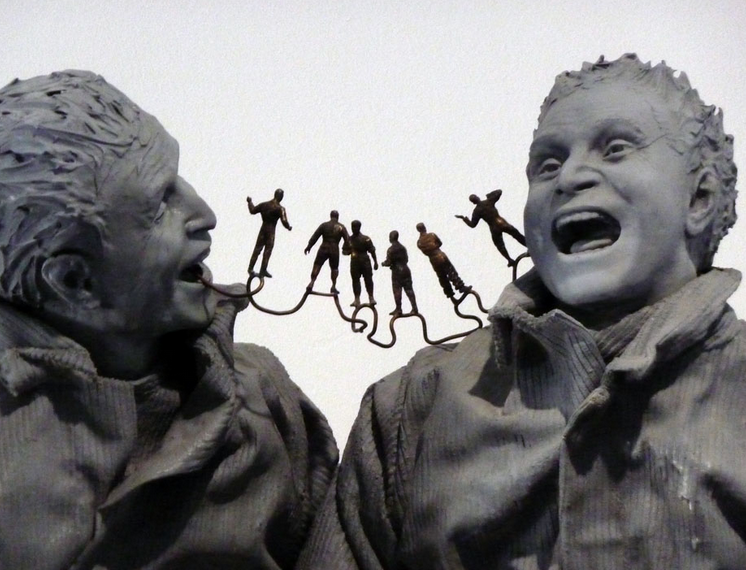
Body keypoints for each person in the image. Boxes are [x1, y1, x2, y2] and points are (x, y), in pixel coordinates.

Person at [297, 54, 746, 569]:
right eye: (547, 165)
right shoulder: (412, 407)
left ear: (700, 197)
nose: (570, 177)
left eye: (616, 149)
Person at [0, 71, 337, 570]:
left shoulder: (262, 396)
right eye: (159, 205)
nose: (204, 213)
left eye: (178, 181)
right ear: (75, 280)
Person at [456, 189, 527, 266]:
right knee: (516, 235)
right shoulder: (488, 201)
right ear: (478, 197)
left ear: (473, 203)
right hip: (501, 223)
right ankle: (529, 245)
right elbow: (499, 191)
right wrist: (489, 195)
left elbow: (473, 225)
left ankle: (510, 260)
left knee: (500, 245)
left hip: (494, 228)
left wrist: (464, 219)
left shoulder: (477, 211)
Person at [247, 188, 292, 278]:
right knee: (267, 251)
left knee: (257, 249)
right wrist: (288, 227)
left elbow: (252, 210)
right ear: (280, 197)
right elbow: (284, 221)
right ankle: (263, 270)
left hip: (263, 229)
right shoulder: (280, 209)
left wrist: (249, 202)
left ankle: (250, 268)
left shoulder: (264, 205)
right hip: (270, 231)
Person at [415, 222, 469, 298]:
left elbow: (425, 252)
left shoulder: (419, 242)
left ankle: (449, 292)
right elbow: (440, 243)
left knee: (441, 276)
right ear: (424, 228)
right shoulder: (432, 235)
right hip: (440, 256)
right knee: (451, 271)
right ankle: (460, 287)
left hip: (433, 260)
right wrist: (435, 247)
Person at [304, 210, 350, 294]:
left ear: (330, 216)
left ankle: (312, 282)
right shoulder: (341, 227)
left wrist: (309, 246)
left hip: (324, 247)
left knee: (317, 264)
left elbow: (315, 236)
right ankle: (333, 286)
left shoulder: (324, 225)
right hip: (334, 249)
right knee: (334, 268)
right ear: (337, 217)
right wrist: (347, 250)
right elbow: (347, 240)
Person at [381, 230, 417, 316]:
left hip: (397, 272)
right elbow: (406, 259)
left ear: (391, 238)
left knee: (397, 290)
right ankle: (414, 308)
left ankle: (398, 309)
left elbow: (388, 262)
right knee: (409, 289)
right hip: (406, 270)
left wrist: (384, 263)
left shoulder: (391, 250)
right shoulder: (403, 248)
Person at [344, 220, 379, 308]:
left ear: (359, 227)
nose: (354, 228)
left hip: (365, 261)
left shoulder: (365, 238)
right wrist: (348, 251)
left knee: (368, 279)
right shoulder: (349, 239)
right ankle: (357, 299)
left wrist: (375, 262)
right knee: (355, 280)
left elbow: (372, 251)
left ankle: (371, 297)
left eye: (356, 227)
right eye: (352, 227)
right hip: (354, 261)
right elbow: (344, 250)